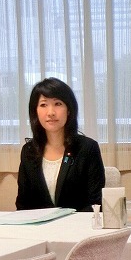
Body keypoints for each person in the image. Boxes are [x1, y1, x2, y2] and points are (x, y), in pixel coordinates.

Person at [16, 77, 105, 212]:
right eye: (43, 105)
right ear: (35, 111)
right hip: (39, 225)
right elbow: (23, 205)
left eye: (57, 104)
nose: (51, 112)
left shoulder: (87, 148)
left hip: (79, 224)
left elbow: (95, 203)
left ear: (69, 109)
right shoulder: (29, 151)